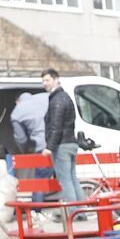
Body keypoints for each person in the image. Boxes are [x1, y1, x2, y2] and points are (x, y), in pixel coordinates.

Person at [41, 69, 83, 212]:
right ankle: (82, 211)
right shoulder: (66, 97)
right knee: (73, 178)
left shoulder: (57, 100)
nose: (44, 83)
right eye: (43, 80)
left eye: (47, 80)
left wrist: (49, 147)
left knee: (65, 180)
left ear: (56, 79)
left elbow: (56, 126)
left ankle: (73, 213)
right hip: (71, 142)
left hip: (62, 145)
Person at [9, 89, 48, 181]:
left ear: (17, 101)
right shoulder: (45, 99)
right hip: (59, 143)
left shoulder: (17, 112)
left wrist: (25, 150)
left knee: (41, 181)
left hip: (41, 147)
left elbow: (21, 139)